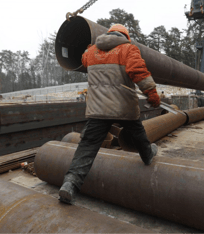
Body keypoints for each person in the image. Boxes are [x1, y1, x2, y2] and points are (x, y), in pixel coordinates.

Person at [58, 24, 161, 204]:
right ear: (125, 37)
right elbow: (139, 73)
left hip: (98, 110)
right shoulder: (128, 49)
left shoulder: (91, 53)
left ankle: (70, 183)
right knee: (139, 135)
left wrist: (90, 49)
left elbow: (83, 59)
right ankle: (147, 155)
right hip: (124, 107)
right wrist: (151, 93)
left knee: (87, 147)